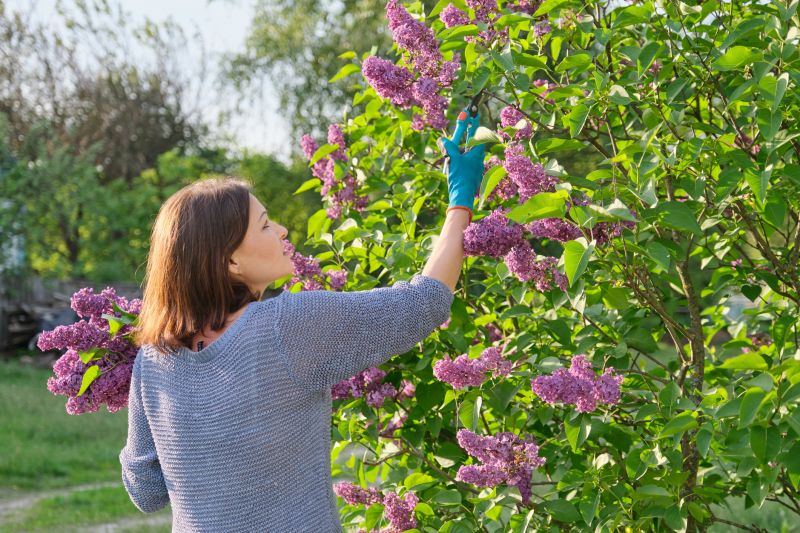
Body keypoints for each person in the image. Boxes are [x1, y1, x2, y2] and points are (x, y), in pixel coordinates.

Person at [120, 108, 486, 531]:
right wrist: (461, 200)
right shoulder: (287, 326)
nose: (282, 231)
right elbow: (425, 303)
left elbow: (145, 491)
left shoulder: (153, 361)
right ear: (231, 260)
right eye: (263, 226)